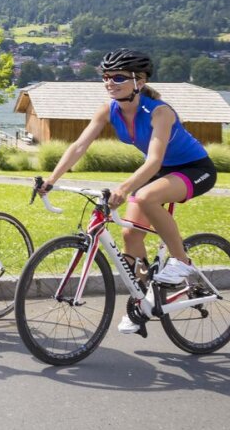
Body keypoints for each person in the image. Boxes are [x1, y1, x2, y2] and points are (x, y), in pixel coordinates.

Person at [39, 49, 217, 336]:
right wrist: (51, 179)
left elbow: (154, 160)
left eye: (118, 77)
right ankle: (144, 301)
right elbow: (79, 147)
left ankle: (182, 262)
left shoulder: (160, 112)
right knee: (130, 233)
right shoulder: (108, 110)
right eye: (106, 77)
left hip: (194, 168)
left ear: (140, 80)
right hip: (162, 171)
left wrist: (124, 188)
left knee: (146, 197)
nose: (110, 82)